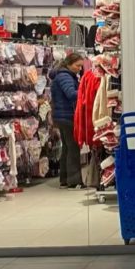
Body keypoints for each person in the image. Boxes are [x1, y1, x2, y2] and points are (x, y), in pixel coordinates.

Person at [49, 53, 85, 189]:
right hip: (67, 115)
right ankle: (74, 181)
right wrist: (85, 91)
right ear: (69, 64)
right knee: (73, 148)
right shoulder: (65, 76)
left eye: (81, 66)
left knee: (67, 148)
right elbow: (71, 94)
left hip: (61, 116)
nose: (79, 69)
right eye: (77, 65)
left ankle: (64, 179)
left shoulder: (62, 75)